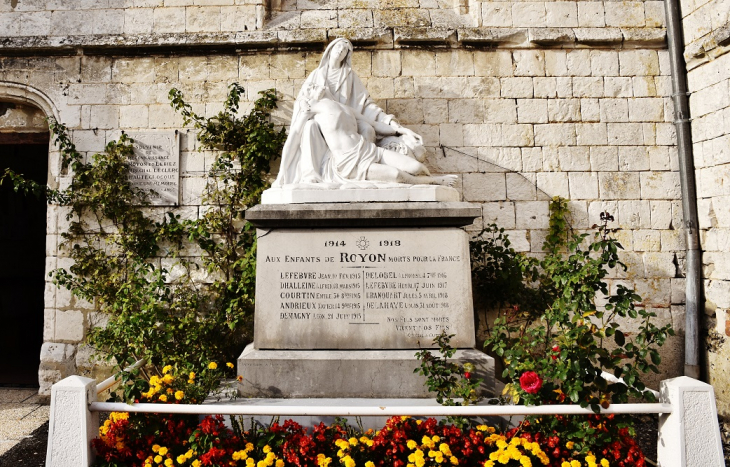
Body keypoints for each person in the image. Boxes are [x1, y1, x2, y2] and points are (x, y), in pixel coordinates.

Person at [273, 38, 426, 187]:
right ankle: (312, 174)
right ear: (330, 50)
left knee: (368, 129)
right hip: (341, 147)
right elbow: (300, 113)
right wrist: (282, 172)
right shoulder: (316, 78)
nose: (341, 50)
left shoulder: (349, 77)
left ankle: (374, 171)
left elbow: (366, 104)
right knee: (309, 127)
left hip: (355, 132)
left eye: (345, 49)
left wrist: (398, 128)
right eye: (338, 46)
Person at [284, 83, 457, 186]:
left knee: (416, 167)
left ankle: (430, 178)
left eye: (314, 85)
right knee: (396, 175)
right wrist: (284, 172)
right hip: (349, 162)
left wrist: (403, 130)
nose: (314, 86)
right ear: (306, 97)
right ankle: (435, 181)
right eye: (310, 88)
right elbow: (294, 138)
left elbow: (374, 124)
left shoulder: (345, 108)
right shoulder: (310, 109)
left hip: (368, 149)